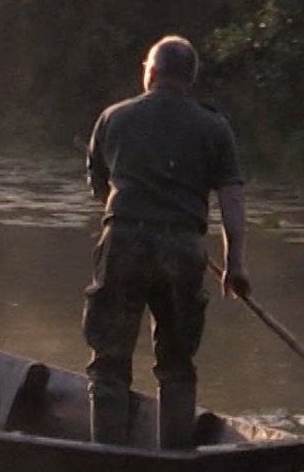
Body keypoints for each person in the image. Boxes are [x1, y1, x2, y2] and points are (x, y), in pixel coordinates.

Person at [82, 35, 249, 449]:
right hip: (183, 249)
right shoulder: (214, 126)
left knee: (109, 361)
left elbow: (100, 187)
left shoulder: (113, 117)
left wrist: (133, 212)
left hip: (123, 242)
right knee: (177, 364)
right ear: (189, 79)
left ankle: (106, 456)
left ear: (150, 72)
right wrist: (235, 264)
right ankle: (175, 458)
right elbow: (231, 197)